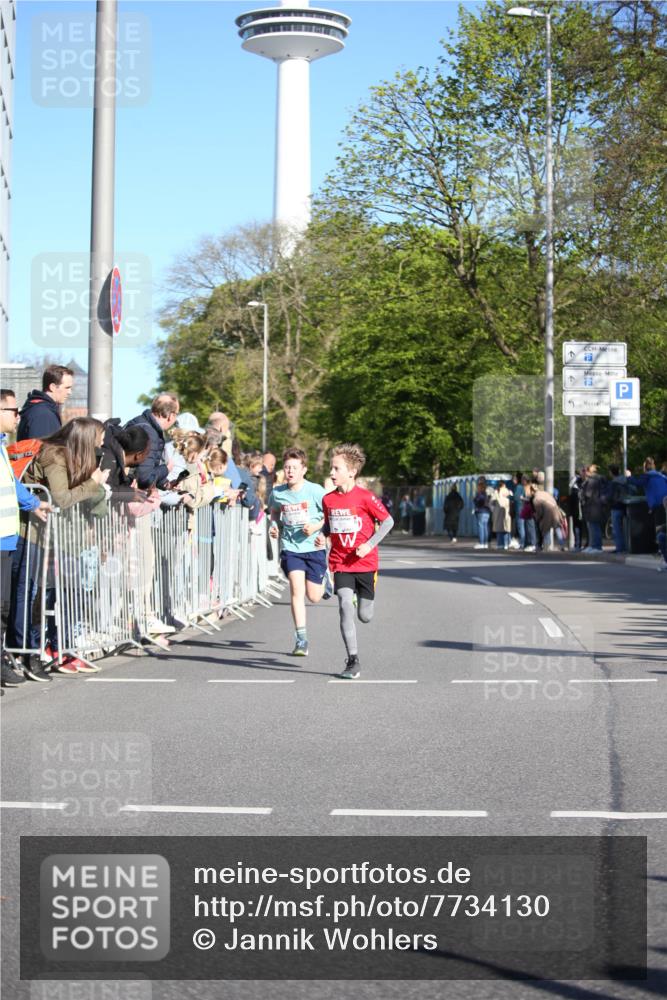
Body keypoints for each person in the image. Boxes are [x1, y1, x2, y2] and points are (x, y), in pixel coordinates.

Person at [11, 418, 109, 678]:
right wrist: (94, 482)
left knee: (40, 595)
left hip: (46, 535)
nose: (100, 446)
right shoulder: (55, 455)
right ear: (85, 440)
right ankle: (25, 652)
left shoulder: (68, 456)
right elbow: (61, 498)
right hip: (29, 533)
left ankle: (37, 650)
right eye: (98, 440)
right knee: (28, 595)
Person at [318, 443, 393, 679]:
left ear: (351, 472)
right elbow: (329, 527)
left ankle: (360, 596)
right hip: (341, 562)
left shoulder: (366, 497)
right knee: (343, 606)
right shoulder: (328, 500)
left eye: (336, 469)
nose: (331, 473)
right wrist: (322, 536)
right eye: (331, 468)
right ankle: (353, 660)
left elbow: (388, 522)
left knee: (365, 616)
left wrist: (369, 544)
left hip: (366, 563)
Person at [1, 390, 52, 689]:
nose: (18, 417)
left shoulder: (1, 448)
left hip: (7, 537)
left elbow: (12, 485)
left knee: (3, 607)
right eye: (12, 410)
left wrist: (34, 504)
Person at [269, 448, 326, 656]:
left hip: (314, 547)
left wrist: (316, 526)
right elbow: (274, 512)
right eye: (287, 467)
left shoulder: (316, 491)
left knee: (315, 597)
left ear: (304, 470)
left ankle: (326, 579)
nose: (290, 471)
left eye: (294, 467)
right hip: (291, 547)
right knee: (296, 589)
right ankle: (301, 639)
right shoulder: (277, 493)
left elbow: (329, 515)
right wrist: (274, 526)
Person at [124, 393, 180, 490]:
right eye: (176, 414)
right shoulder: (150, 433)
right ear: (171, 416)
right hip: (126, 491)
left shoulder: (140, 422)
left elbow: (146, 468)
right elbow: (144, 478)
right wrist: (166, 469)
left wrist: (166, 484)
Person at [16, 364, 74, 440]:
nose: (70, 392)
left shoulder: (41, 409)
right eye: (67, 388)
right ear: (53, 387)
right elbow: (41, 446)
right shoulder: (43, 414)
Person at [579, 465, 606, 553]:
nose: (583, 473)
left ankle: (596, 546)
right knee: (592, 527)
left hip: (593, 507)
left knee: (594, 527)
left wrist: (582, 493)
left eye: (584, 471)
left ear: (588, 472)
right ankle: (593, 545)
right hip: (595, 506)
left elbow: (587, 494)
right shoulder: (597, 480)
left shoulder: (592, 481)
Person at [607, 464, 632, 554]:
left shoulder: (613, 482)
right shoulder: (625, 480)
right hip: (625, 506)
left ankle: (620, 548)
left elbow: (610, 496)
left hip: (616, 507)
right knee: (625, 528)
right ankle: (626, 547)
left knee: (617, 529)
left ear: (611, 472)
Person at [491, 481, 512, 549]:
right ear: (504, 485)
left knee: (499, 529)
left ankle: (500, 544)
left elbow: (492, 502)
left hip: (498, 512)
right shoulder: (509, 492)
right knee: (506, 528)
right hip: (507, 511)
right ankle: (507, 543)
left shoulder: (496, 492)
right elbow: (512, 500)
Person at [472, 477, 491, 549]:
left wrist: (475, 498)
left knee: (481, 527)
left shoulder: (480, 493)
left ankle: (481, 542)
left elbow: (479, 500)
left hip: (481, 511)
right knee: (485, 527)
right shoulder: (487, 492)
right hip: (487, 511)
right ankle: (485, 543)